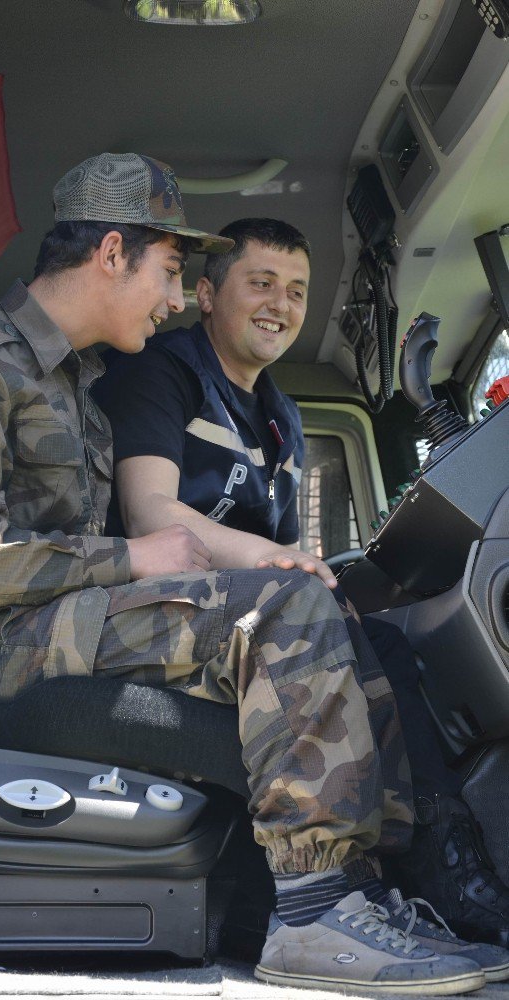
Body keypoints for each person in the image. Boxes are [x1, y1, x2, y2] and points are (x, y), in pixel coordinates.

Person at [0, 155, 498, 995]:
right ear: (112, 253)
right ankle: (317, 907)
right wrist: (135, 558)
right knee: (282, 607)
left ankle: (396, 886)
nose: (177, 299)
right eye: (171, 272)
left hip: (60, 619)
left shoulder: (74, 379)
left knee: (330, 618)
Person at [94, 216, 509, 950]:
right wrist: (273, 562)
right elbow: (146, 510)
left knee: (380, 639)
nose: (279, 305)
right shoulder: (163, 371)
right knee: (323, 627)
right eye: (260, 283)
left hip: (245, 617)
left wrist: (324, 581)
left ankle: (431, 865)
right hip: (152, 607)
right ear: (204, 293)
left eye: (296, 290)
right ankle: (353, 891)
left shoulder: (283, 417)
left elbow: (287, 556)